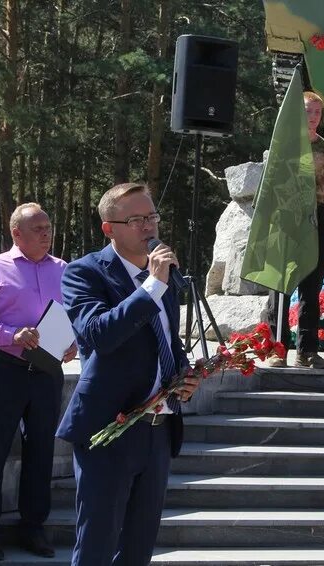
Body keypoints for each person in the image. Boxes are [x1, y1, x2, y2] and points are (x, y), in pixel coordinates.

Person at [58, 183, 200, 566]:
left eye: (152, 216)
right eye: (136, 219)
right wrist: (152, 286)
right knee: (97, 547)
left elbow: (167, 343)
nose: (148, 227)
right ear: (109, 228)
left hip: (157, 429)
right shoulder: (84, 273)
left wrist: (184, 377)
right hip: (108, 430)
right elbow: (98, 336)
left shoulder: (165, 277)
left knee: (138, 549)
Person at [0, 203, 76, 561]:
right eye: (37, 228)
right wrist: (10, 334)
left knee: (41, 452)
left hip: (46, 374)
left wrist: (73, 343)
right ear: (16, 233)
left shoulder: (65, 270)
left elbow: (77, 314)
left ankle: (33, 528)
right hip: (4, 371)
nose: (46, 233)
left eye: (48, 226)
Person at [266, 90, 324, 369]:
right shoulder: (285, 144)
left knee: (312, 286)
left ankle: (307, 351)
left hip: (317, 217)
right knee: (281, 286)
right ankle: (278, 349)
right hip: (287, 218)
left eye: (317, 112)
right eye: (308, 111)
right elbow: (270, 187)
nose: (312, 117)